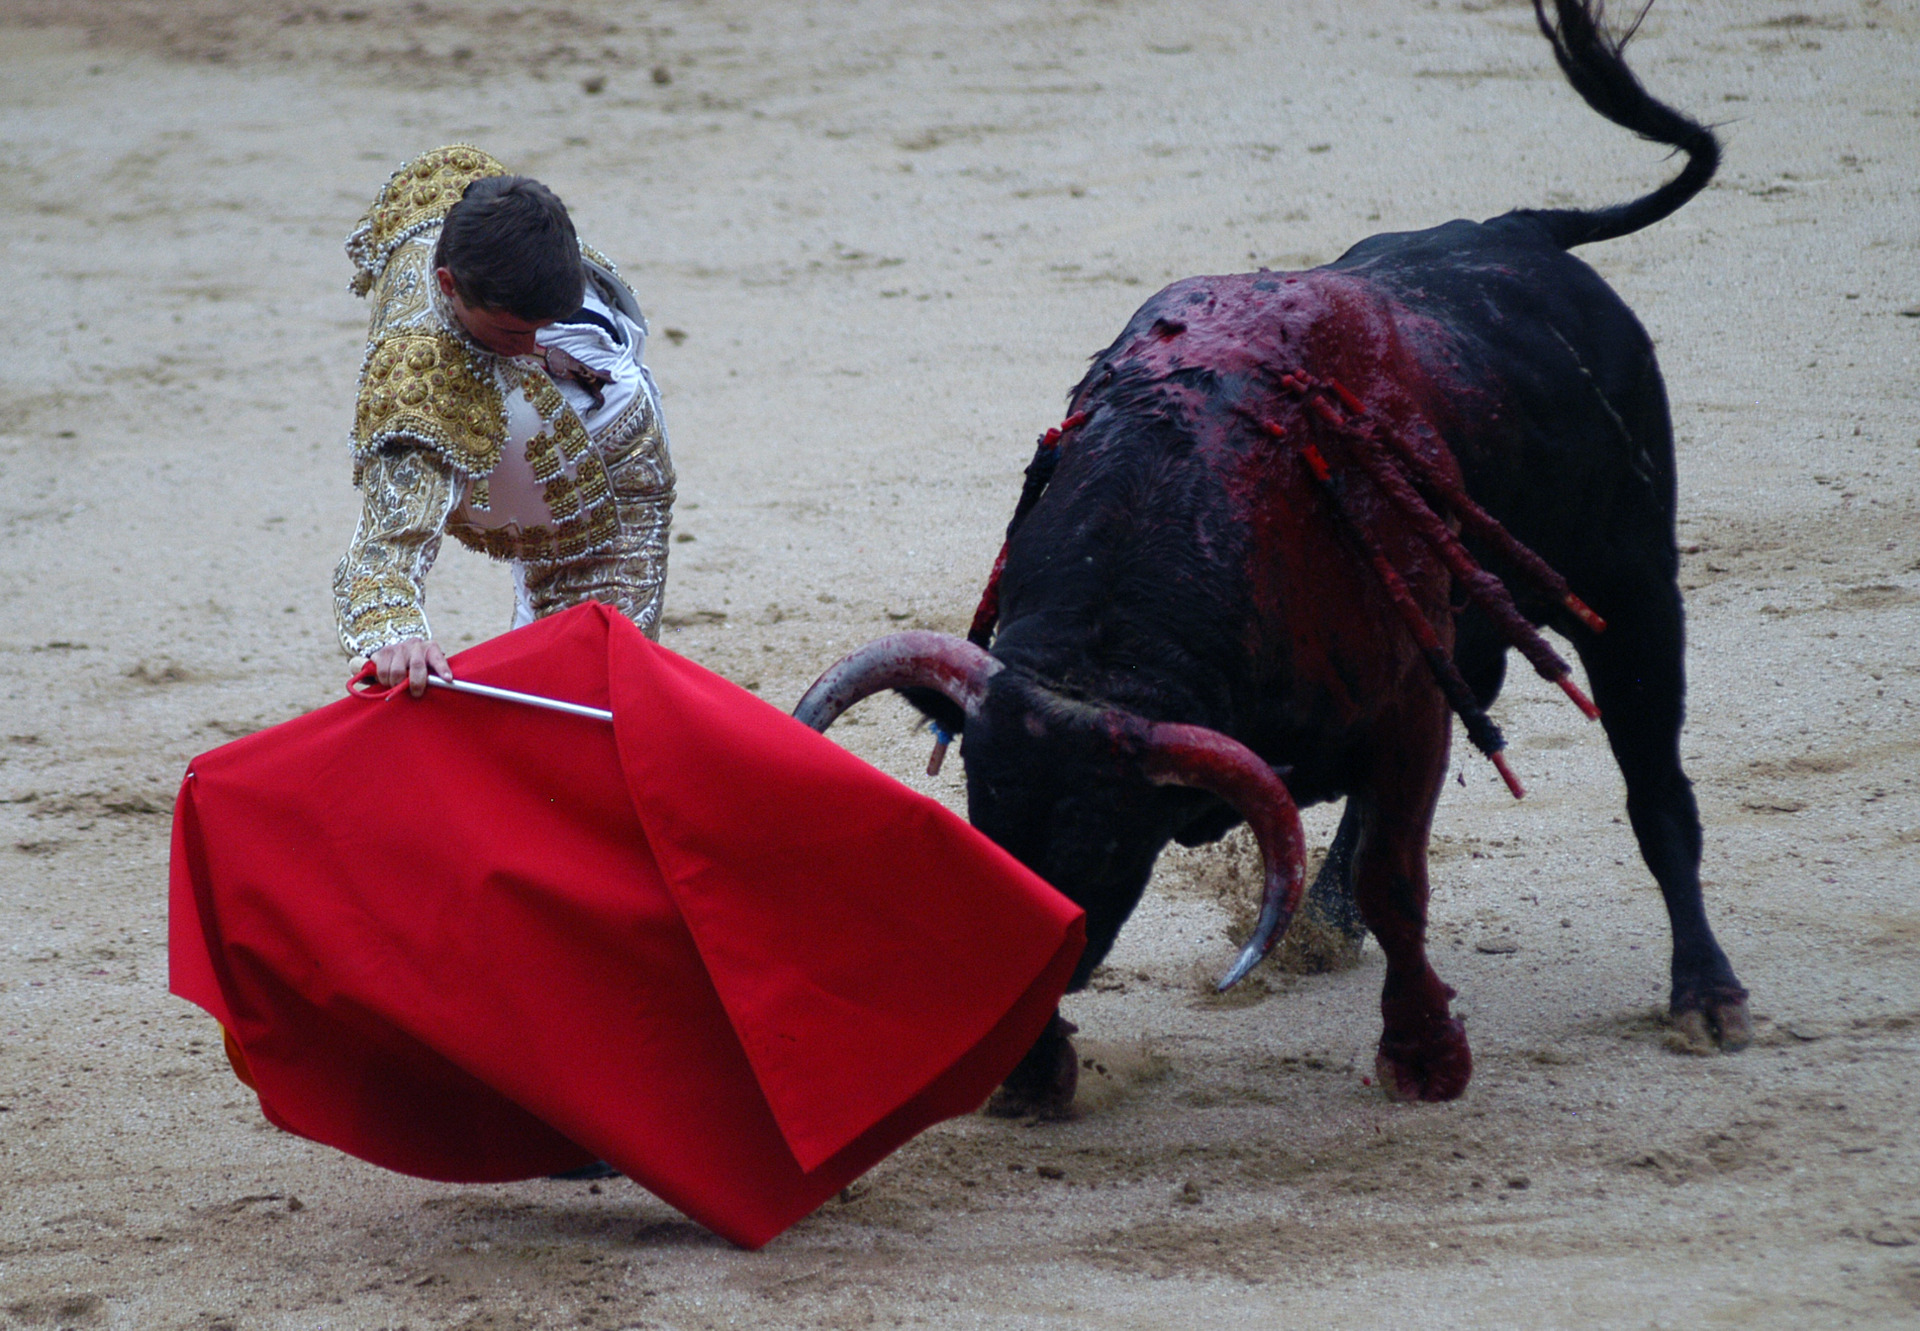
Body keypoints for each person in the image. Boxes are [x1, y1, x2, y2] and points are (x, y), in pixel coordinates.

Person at [334, 145, 674, 694]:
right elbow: (384, 549)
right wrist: (395, 634)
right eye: (516, 334)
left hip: (613, 465)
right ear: (448, 285)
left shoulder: (464, 199)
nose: (534, 344)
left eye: (545, 327)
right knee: (589, 695)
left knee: (592, 682)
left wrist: (528, 348)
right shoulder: (420, 387)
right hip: (579, 482)